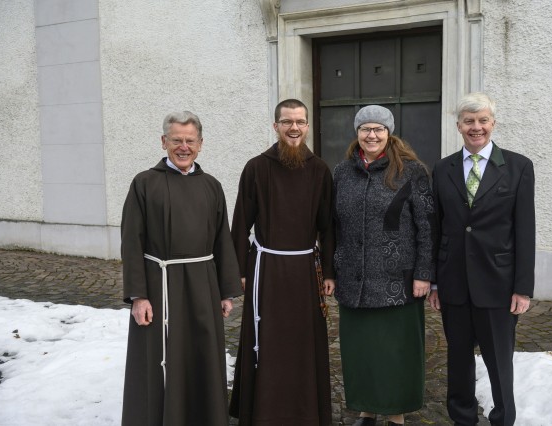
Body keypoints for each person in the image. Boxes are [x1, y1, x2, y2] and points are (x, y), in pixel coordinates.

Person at [120, 111, 242, 426]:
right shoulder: (144, 183)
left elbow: (222, 240)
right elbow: (131, 241)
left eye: (190, 141)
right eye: (177, 140)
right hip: (159, 287)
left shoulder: (212, 186)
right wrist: (138, 296)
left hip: (202, 286)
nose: (183, 147)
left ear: (200, 144)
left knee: (200, 358)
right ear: (164, 142)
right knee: (159, 360)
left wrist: (226, 291)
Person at [428, 92, 535, 426]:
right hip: (453, 283)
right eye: (469, 121)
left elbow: (525, 230)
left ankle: (502, 418)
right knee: (458, 360)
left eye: (483, 120)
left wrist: (523, 288)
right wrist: (433, 281)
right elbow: (436, 227)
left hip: (498, 283)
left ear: (493, 123)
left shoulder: (518, 167)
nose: (476, 127)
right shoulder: (443, 168)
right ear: (458, 125)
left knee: (499, 361)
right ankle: (462, 417)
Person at [229, 99, 335, 425]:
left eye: (300, 122)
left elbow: (328, 226)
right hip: (267, 271)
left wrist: (329, 272)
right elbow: (240, 223)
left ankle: (304, 412)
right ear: (275, 126)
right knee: (269, 342)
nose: (293, 128)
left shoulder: (319, 170)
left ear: (306, 126)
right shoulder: (256, 168)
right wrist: (242, 271)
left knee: (302, 345)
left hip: (305, 271)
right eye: (287, 121)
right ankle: (263, 412)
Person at [332, 105, 437, 426]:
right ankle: (366, 410)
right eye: (365, 129)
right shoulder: (342, 172)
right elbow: (332, 225)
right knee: (361, 352)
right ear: (357, 133)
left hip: (398, 281)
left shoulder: (411, 170)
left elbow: (427, 225)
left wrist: (423, 274)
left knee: (396, 353)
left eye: (378, 129)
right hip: (354, 279)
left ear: (389, 133)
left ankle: (396, 413)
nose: (372, 135)